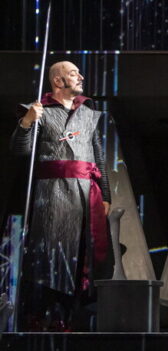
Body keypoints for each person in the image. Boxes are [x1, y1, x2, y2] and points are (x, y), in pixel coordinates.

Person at [10, 61, 111, 330]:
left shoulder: (88, 112)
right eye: (73, 73)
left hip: (86, 195)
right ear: (57, 80)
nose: (81, 77)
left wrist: (106, 194)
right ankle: (44, 318)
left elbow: (98, 157)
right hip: (51, 195)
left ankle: (76, 318)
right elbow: (20, 150)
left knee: (84, 256)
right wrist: (27, 122)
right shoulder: (39, 111)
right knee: (50, 256)